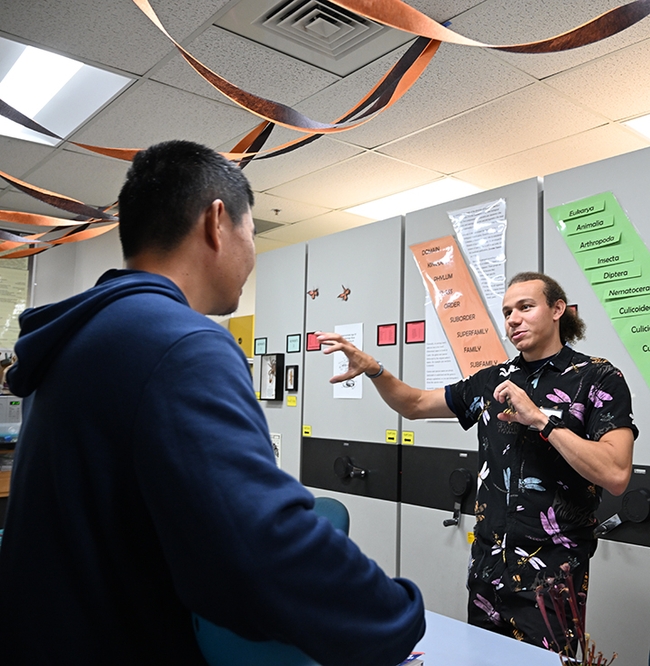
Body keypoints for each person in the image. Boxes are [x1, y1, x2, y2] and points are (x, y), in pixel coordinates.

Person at [0, 140, 425, 665]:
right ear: (216, 222)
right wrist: (397, 616)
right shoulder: (180, 341)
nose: (252, 255)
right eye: (252, 234)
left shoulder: (83, 336)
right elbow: (258, 551)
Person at [317, 272, 637, 649]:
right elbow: (415, 404)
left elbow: (615, 473)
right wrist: (375, 369)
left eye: (525, 307)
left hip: (551, 577)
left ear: (557, 310)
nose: (513, 319)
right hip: (487, 570)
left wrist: (541, 420)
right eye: (506, 312)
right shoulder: (492, 380)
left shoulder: (597, 377)